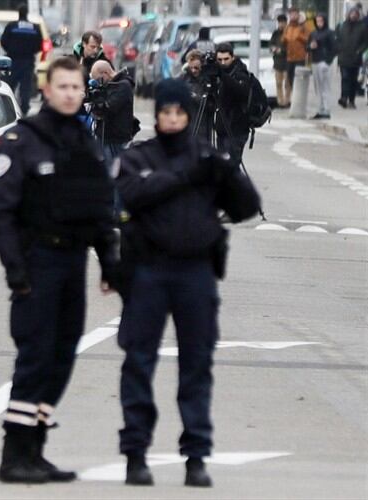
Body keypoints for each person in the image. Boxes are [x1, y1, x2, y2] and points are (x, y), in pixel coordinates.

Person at [114, 78, 260, 488]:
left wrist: (228, 172)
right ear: (157, 116)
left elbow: (247, 207)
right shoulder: (140, 157)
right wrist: (184, 176)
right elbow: (131, 193)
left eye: (179, 113)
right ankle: (136, 453)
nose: (173, 120)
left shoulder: (206, 157)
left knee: (196, 366)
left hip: (196, 273)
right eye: (166, 113)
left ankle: (196, 454)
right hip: (149, 273)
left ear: (188, 114)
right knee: (139, 362)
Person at [0, 56, 118, 484]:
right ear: (46, 90)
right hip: (37, 263)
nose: (70, 94)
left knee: (61, 359)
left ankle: (36, 449)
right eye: (62, 87)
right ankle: (14, 454)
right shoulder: (23, 141)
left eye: (76, 88)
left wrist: (109, 260)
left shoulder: (84, 143)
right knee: (35, 358)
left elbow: (99, 207)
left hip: (73, 262)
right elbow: (1, 213)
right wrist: (15, 271)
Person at [0, 3, 43, 116]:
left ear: (18, 13)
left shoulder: (11, 26)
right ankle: (24, 109)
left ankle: (8, 109)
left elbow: (3, 42)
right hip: (28, 61)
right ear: (27, 13)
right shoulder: (34, 28)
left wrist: (11, 50)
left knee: (10, 85)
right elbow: (39, 45)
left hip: (13, 60)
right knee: (25, 87)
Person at [89, 60, 136, 163]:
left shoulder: (123, 85)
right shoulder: (110, 86)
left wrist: (99, 102)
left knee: (113, 170)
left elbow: (109, 108)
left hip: (116, 139)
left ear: (105, 73)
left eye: (98, 80)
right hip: (106, 136)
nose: (98, 83)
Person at [214, 42, 250, 168]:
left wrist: (223, 76)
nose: (223, 63)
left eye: (226, 59)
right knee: (222, 164)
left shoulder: (240, 72)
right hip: (222, 127)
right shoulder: (216, 73)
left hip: (237, 128)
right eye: (219, 60)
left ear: (233, 57)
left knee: (231, 166)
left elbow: (241, 91)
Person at [179, 50, 214, 142]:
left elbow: (211, 104)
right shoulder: (183, 78)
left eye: (196, 68)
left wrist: (195, 97)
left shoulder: (207, 80)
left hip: (202, 125)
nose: (193, 70)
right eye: (191, 68)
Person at [336, 7, 368, 109]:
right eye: (352, 13)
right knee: (344, 78)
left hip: (355, 58)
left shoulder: (362, 27)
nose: (353, 15)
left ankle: (351, 100)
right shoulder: (342, 26)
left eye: (355, 14)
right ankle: (343, 98)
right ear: (348, 14)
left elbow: (365, 42)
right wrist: (339, 49)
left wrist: (359, 51)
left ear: (358, 15)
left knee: (353, 80)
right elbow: (337, 39)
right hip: (343, 57)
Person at [308, 13, 337, 119]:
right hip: (315, 61)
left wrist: (328, 61)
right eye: (317, 21)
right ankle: (320, 109)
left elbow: (334, 48)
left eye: (321, 21)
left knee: (325, 87)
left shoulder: (329, 33)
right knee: (317, 88)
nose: (319, 23)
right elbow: (307, 46)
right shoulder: (313, 33)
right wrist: (310, 46)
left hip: (324, 62)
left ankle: (326, 109)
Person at [281, 8, 311, 104]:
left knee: (299, 78)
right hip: (290, 57)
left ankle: (299, 99)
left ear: (298, 15)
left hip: (300, 57)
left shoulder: (303, 27)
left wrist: (299, 36)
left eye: (295, 14)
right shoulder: (287, 27)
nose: (293, 16)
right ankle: (293, 98)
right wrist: (285, 39)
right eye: (291, 14)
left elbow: (308, 39)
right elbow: (283, 40)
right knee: (290, 78)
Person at [270, 14, 289, 108]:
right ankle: (280, 101)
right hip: (277, 62)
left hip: (287, 62)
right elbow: (271, 44)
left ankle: (287, 101)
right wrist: (273, 48)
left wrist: (281, 50)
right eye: (279, 22)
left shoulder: (288, 32)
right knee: (278, 83)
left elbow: (290, 47)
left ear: (286, 23)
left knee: (287, 84)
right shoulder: (276, 33)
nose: (281, 24)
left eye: (283, 22)